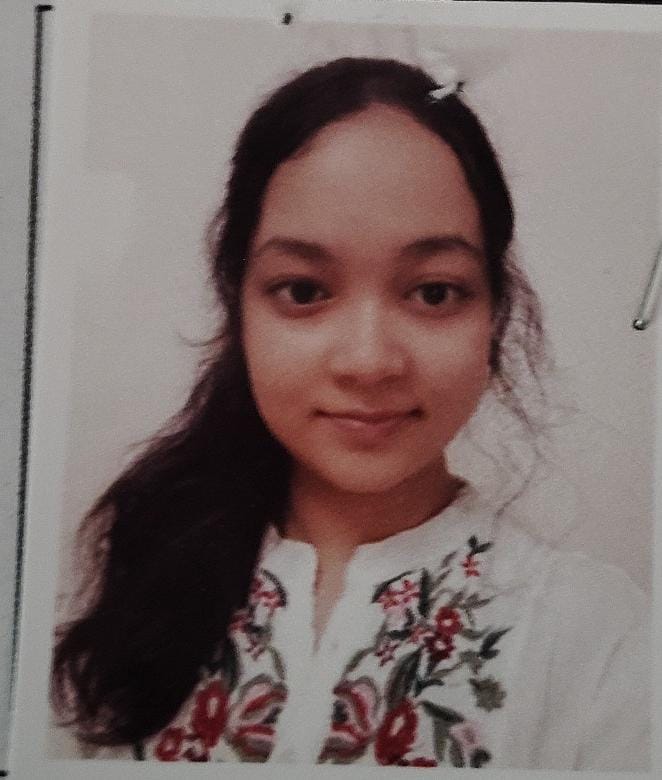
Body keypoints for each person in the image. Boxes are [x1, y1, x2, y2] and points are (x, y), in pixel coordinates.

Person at [50, 56, 650, 770]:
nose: (369, 362)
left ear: (495, 317)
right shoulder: (129, 570)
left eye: (434, 293)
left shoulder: (599, 642)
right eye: (304, 291)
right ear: (239, 309)